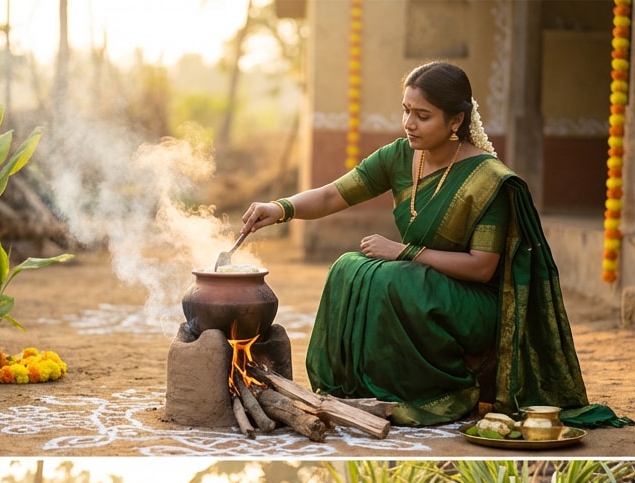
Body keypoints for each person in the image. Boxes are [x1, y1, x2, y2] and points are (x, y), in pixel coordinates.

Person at [241, 61, 590, 427]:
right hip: (417, 284)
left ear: (456, 121)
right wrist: (280, 208)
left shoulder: (489, 180)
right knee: (348, 267)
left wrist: (404, 252)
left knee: (393, 277)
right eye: (406, 110)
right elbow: (332, 196)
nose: (409, 123)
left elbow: (481, 267)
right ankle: (360, 388)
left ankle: (430, 392)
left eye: (423, 116)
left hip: (474, 302)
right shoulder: (399, 156)